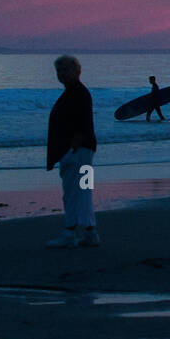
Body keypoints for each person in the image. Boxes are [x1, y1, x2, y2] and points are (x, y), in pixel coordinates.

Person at [45, 55, 100, 247]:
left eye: (65, 70)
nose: (61, 74)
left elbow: (82, 122)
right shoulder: (74, 92)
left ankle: (70, 232)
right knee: (83, 191)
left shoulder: (78, 93)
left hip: (78, 150)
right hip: (81, 149)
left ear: (76, 71)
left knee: (73, 192)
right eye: (58, 71)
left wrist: (73, 148)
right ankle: (90, 232)